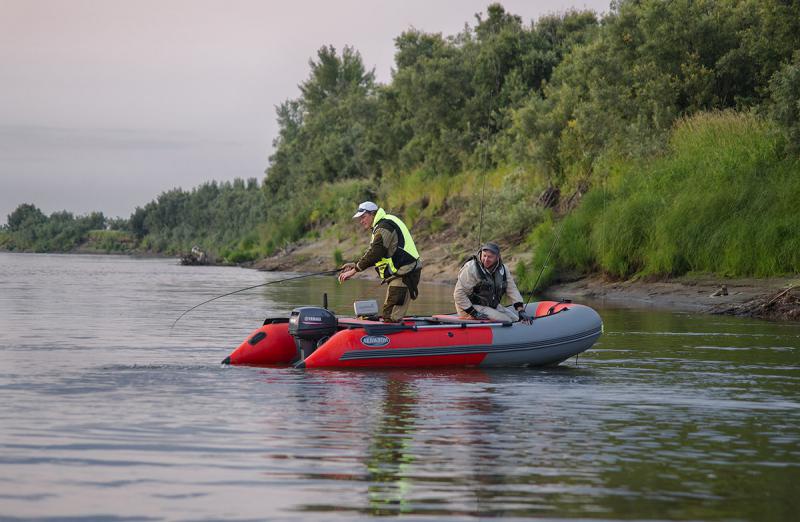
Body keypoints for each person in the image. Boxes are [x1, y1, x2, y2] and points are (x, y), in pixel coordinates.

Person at [338, 201, 422, 322]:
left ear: (372, 214)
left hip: (405, 274)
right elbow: (374, 252)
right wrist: (354, 265)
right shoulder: (381, 225)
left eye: (363, 217)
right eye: (360, 218)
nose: (361, 221)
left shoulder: (384, 226)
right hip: (399, 273)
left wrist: (354, 271)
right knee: (388, 314)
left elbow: (376, 253)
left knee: (391, 316)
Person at [453, 242, 532, 323]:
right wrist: (474, 313)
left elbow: (512, 289)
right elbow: (458, 294)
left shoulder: (503, 269)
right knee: (506, 320)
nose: (486, 259)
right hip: (468, 308)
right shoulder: (471, 268)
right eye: (484, 256)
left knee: (516, 319)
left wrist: (521, 310)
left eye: (490, 257)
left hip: (489, 305)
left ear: (497, 257)